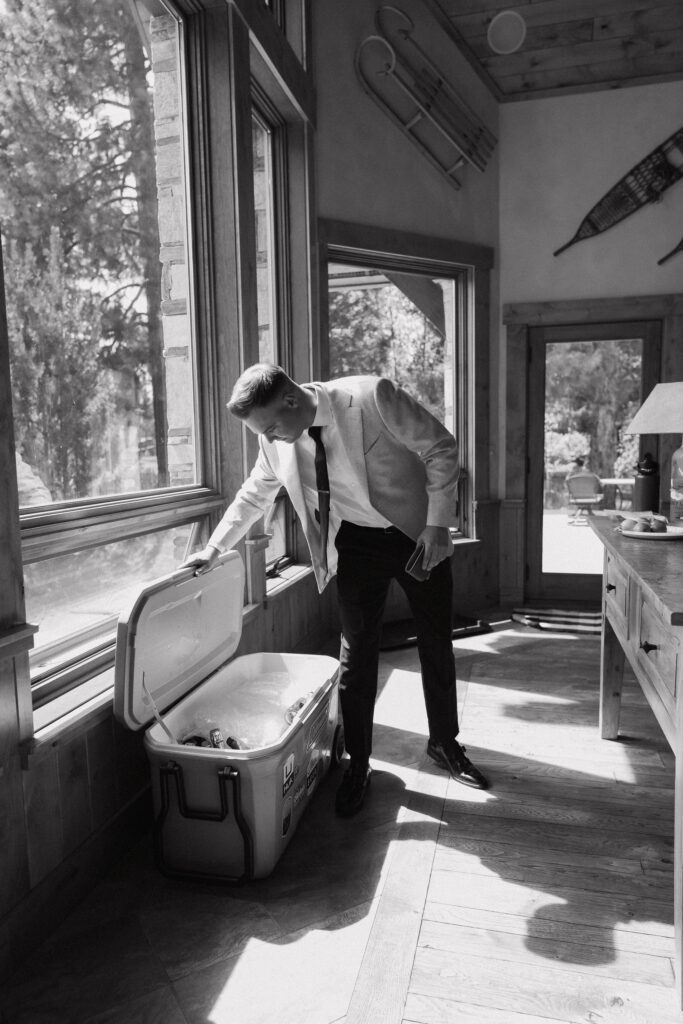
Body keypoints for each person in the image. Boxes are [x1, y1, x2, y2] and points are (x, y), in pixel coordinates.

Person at [182, 363, 489, 816]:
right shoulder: (276, 441)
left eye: (269, 426)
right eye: (260, 432)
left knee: (435, 641)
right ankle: (358, 762)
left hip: (416, 533)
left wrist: (439, 524)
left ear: (291, 399)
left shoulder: (372, 396)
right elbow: (254, 494)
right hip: (357, 545)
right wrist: (213, 547)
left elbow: (441, 447)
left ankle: (445, 744)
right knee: (356, 655)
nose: (268, 436)